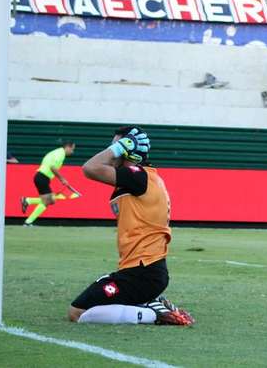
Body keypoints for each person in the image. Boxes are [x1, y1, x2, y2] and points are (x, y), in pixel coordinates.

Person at [68, 126, 194, 326]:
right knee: (92, 305)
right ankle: (146, 303)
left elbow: (89, 168)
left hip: (141, 273)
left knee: (77, 312)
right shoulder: (144, 177)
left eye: (116, 146)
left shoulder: (136, 175)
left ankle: (152, 313)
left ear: (127, 149)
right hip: (145, 271)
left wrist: (118, 148)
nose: (111, 151)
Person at [20, 141, 78, 226]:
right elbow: (52, 167)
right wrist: (62, 179)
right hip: (42, 177)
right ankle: (28, 217)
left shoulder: (57, 152)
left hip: (41, 177)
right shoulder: (60, 154)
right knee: (49, 200)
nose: (72, 152)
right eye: (72, 149)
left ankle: (28, 204)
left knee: (50, 200)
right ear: (68, 147)